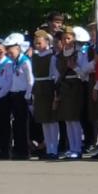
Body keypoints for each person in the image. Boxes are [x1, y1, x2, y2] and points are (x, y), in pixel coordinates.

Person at [55, 28, 92, 159]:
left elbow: (83, 74)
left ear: (74, 39)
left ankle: (78, 148)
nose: (66, 41)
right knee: (67, 120)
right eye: (64, 38)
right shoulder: (60, 55)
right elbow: (57, 73)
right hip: (64, 87)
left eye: (69, 38)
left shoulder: (79, 53)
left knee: (75, 119)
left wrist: (74, 67)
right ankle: (72, 147)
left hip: (76, 87)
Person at [3, 34, 33, 160]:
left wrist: (27, 95)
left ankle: (25, 150)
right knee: (16, 124)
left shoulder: (25, 61)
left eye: (11, 49)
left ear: (18, 48)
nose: (9, 52)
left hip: (23, 95)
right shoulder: (12, 63)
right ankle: (18, 149)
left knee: (23, 124)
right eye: (8, 49)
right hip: (14, 95)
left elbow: (30, 80)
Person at [31, 31, 59, 159]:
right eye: (36, 43)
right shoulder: (35, 57)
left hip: (48, 87)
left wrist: (55, 93)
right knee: (44, 120)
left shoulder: (51, 57)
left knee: (51, 120)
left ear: (47, 42)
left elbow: (55, 75)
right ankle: (48, 148)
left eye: (40, 42)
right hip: (39, 88)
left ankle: (54, 148)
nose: (37, 45)